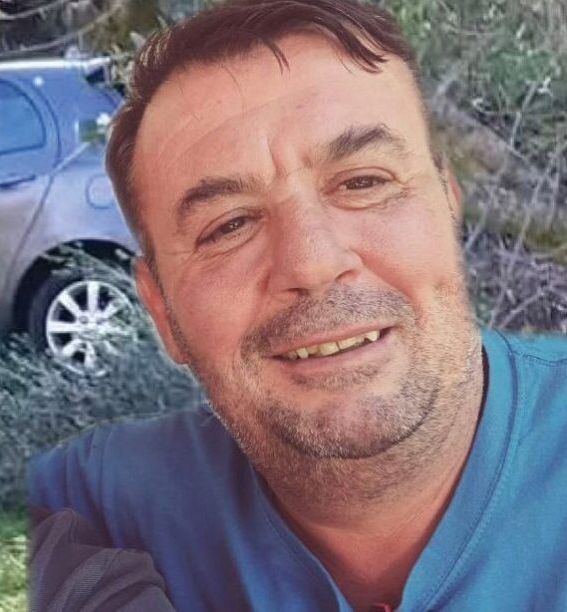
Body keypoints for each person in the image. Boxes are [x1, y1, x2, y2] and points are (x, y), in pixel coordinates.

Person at [28, 0, 567, 610]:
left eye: (363, 182)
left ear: (447, 205)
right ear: (160, 309)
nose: (312, 263)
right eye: (229, 225)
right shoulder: (100, 491)